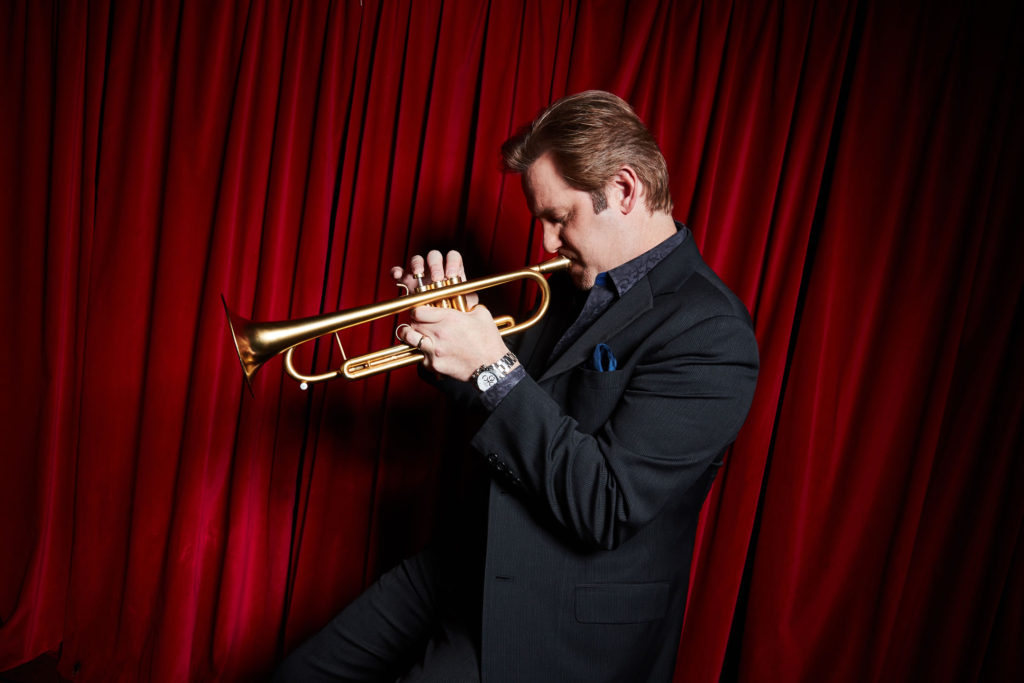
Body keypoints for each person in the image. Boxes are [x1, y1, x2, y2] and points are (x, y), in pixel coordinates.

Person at [274, 90, 759, 682]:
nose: (547, 243)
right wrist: (443, 334)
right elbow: (501, 405)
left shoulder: (712, 332)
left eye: (559, 217)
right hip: (465, 564)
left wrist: (490, 366)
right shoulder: (577, 284)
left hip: (552, 625)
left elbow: (607, 504)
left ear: (625, 190)